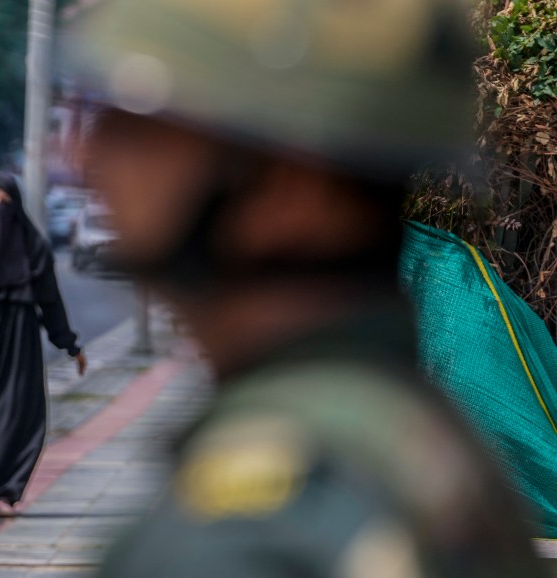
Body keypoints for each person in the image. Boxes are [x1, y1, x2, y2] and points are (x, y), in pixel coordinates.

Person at [64, 1, 550, 576]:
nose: (78, 158)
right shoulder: (415, 436)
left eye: (137, 127)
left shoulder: (256, 534)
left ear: (291, 188)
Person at [0, 173, 86, 517]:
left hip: (21, 336)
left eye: (7, 205)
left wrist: (70, 345)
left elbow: (51, 301)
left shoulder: (34, 248)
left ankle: (7, 489)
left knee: (19, 412)